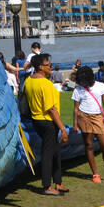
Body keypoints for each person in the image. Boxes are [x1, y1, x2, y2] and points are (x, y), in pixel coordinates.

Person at [24, 54, 70, 195]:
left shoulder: (28, 81)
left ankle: (58, 182)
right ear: (40, 67)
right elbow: (51, 109)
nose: (51, 66)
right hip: (47, 122)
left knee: (55, 151)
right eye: (48, 64)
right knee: (48, 153)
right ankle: (46, 186)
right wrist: (63, 128)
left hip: (36, 120)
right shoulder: (46, 84)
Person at [71, 66, 104, 184]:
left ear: (89, 79)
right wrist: (75, 124)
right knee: (89, 145)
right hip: (83, 117)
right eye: (80, 81)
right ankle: (95, 174)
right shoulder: (78, 90)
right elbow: (75, 109)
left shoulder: (100, 86)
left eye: (84, 81)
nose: (82, 83)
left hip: (98, 117)